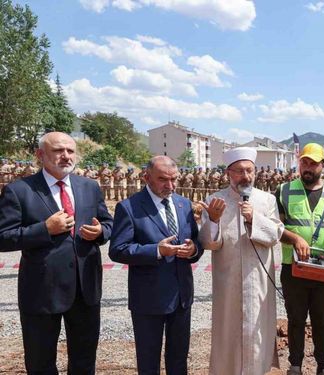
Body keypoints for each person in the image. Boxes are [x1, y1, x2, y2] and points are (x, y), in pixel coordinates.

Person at [0, 132, 113, 374]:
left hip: (85, 289)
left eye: (70, 151)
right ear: (40, 155)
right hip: (42, 291)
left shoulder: (89, 187)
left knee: (84, 361)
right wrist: (44, 229)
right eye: (58, 151)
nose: (66, 156)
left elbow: (108, 223)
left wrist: (101, 231)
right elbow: (4, 237)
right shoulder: (19, 190)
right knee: (41, 362)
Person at [109, 155, 203, 374]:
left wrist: (193, 250)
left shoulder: (183, 204)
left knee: (179, 360)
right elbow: (117, 250)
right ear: (146, 177)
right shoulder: (129, 207)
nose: (170, 185)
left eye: (174, 179)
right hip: (148, 299)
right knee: (149, 361)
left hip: (181, 297)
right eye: (163, 179)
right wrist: (156, 251)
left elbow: (196, 242)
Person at [198, 147, 284, 375]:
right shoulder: (215, 200)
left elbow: (275, 235)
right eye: (239, 171)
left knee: (257, 336)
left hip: (258, 283)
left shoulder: (267, 200)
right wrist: (214, 220)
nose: (245, 176)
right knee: (229, 335)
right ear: (228, 173)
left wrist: (254, 218)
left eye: (249, 170)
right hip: (228, 283)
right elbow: (209, 243)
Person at [276, 143, 324, 375]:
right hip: (293, 268)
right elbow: (275, 227)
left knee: (321, 320)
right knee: (295, 319)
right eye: (304, 162)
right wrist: (294, 238)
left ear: (323, 165)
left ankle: (323, 366)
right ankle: (295, 365)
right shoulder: (284, 191)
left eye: (313, 163)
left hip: (323, 269)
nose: (308, 167)